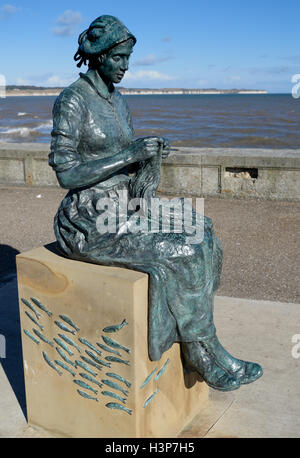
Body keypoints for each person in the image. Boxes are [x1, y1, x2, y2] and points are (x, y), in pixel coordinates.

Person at [49, 15, 262, 391]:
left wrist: (147, 155)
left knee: (204, 231)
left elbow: (125, 158)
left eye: (129, 58)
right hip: (88, 217)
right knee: (183, 251)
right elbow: (66, 174)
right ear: (98, 56)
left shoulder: (118, 100)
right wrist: (128, 154)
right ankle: (202, 349)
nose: (126, 66)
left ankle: (201, 342)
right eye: (119, 58)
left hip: (123, 202)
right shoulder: (72, 100)